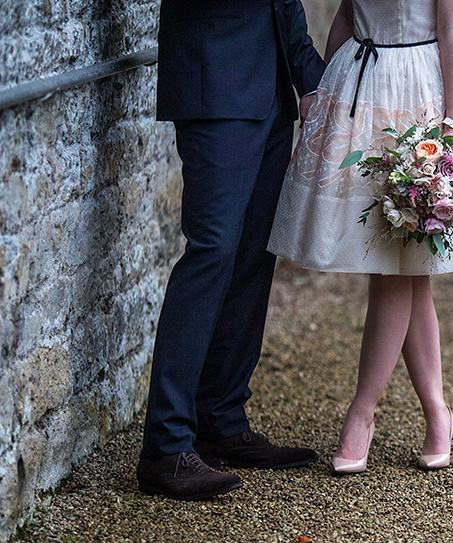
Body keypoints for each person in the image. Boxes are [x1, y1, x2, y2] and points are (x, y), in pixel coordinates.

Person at [268, 0, 453, 473]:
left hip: (424, 92)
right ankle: (437, 412)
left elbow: (452, 32)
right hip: (357, 87)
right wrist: (322, 94)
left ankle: (363, 411)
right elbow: (344, 14)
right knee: (404, 265)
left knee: (393, 262)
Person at [137, 0, 327, 500]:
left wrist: (309, 76)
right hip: (213, 75)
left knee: (254, 252)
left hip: (271, 87)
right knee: (213, 250)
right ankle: (165, 445)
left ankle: (220, 419)